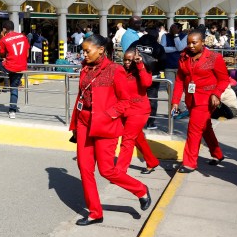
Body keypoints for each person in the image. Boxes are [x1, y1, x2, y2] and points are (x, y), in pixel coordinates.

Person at [70, 34, 151, 226]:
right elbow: (80, 98)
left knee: (107, 170)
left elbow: (125, 101)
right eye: (83, 50)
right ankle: (95, 212)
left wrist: (108, 114)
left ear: (101, 50)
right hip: (84, 123)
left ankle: (140, 189)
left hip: (105, 125)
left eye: (87, 50)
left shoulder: (116, 70)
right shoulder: (85, 68)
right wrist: (74, 125)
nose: (84, 54)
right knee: (84, 167)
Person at [170, 31, 228, 172]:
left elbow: (224, 79)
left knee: (194, 129)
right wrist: (175, 101)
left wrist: (216, 93)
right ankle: (218, 154)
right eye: (188, 42)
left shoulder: (214, 57)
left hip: (207, 99)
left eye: (194, 42)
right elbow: (179, 80)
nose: (190, 45)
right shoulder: (184, 56)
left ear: (202, 42)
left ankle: (189, 163)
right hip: (191, 98)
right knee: (205, 127)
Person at [117, 49, 161, 175]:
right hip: (125, 110)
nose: (126, 62)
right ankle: (152, 161)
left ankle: (120, 172)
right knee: (138, 138)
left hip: (139, 110)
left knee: (127, 139)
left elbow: (147, 83)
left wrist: (140, 65)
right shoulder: (121, 71)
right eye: (125, 59)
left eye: (129, 60)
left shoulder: (143, 70)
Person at [0, 20, 29, 119]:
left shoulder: (4, 39)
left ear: (4, 29)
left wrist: (2, 37)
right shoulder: (23, 37)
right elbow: (27, 53)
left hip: (10, 65)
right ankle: (12, 111)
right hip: (21, 66)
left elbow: (2, 54)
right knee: (14, 87)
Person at [131, 28, 166, 129]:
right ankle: (150, 122)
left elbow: (128, 55)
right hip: (152, 76)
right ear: (156, 36)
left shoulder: (135, 43)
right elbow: (163, 62)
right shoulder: (158, 47)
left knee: (135, 98)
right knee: (152, 99)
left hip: (136, 75)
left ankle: (134, 119)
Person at [161, 23, 188, 118]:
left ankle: (181, 108)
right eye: (172, 28)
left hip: (181, 66)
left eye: (175, 28)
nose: (172, 29)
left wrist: (176, 36)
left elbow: (181, 47)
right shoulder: (165, 36)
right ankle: (182, 108)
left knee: (183, 88)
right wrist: (176, 49)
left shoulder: (184, 36)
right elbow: (163, 48)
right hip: (168, 65)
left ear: (179, 29)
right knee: (170, 89)